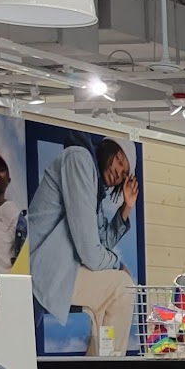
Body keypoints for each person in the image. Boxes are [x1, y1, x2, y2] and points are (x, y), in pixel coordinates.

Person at [24, 136, 137, 355]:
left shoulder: (94, 187)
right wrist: (119, 265)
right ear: (108, 148)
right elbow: (90, 254)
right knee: (122, 286)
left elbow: (101, 242)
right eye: (119, 161)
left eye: (124, 174)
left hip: (59, 271)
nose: (118, 173)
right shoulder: (80, 160)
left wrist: (126, 207)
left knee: (114, 294)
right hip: (43, 269)